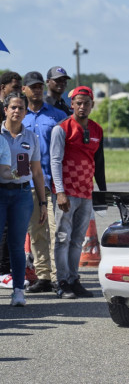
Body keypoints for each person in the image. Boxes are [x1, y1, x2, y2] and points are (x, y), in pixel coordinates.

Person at [50, 86, 106, 299]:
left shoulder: (97, 130)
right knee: (62, 238)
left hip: (86, 193)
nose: (82, 107)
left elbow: (99, 163)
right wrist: (60, 192)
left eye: (86, 103)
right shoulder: (61, 128)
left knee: (77, 240)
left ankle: (74, 279)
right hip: (67, 193)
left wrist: (103, 192)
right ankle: (62, 282)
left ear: (92, 105)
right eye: (78, 103)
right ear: (71, 104)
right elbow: (55, 161)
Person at [0, 92, 47, 307]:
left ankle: (18, 290)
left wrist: (43, 201)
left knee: (17, 245)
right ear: (5, 109)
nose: (17, 111)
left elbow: (37, 173)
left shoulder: (31, 137)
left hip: (21, 195)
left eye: (21, 108)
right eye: (13, 107)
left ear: (26, 112)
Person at [22, 71, 67, 293]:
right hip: (29, 184)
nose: (37, 89)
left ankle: (60, 277)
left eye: (40, 86)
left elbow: (66, 151)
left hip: (53, 183)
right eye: (33, 86)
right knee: (37, 231)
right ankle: (43, 276)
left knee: (55, 229)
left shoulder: (58, 116)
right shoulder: (19, 117)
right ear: (24, 90)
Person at [0, 71, 23, 278]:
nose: (18, 90)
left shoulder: (25, 132)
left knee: (11, 230)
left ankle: (6, 270)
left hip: (10, 181)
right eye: (14, 87)